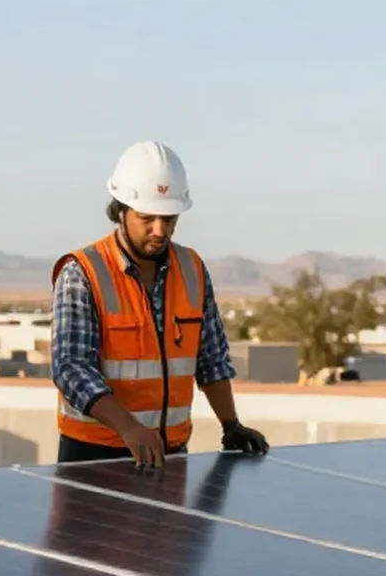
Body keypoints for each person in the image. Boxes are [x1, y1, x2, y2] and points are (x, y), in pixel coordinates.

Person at [51, 141, 268, 468]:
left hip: (168, 455)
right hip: (93, 458)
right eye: (147, 218)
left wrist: (231, 425)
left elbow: (211, 357)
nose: (159, 230)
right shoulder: (83, 273)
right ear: (120, 210)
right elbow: (71, 367)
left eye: (168, 218)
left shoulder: (191, 268)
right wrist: (128, 427)